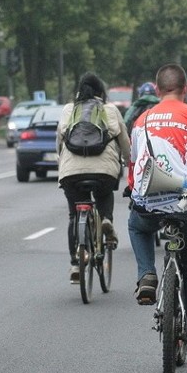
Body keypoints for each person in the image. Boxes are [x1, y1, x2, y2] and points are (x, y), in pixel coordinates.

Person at [127, 63, 187, 353]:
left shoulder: (141, 120)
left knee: (137, 226)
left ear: (157, 90)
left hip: (150, 202)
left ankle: (147, 274)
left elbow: (134, 168)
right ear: (186, 89)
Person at [58, 72, 131, 284]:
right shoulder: (110, 110)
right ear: (102, 92)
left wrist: (61, 165)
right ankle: (106, 219)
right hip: (104, 170)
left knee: (74, 215)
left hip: (71, 171)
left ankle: (75, 263)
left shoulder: (68, 110)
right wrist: (128, 161)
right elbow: (124, 143)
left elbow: (59, 141)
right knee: (104, 193)